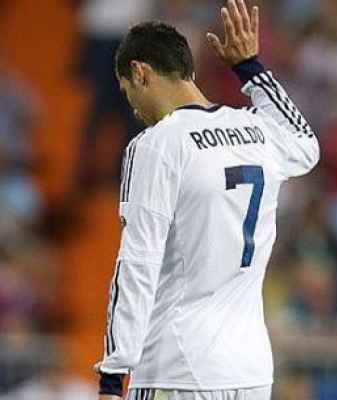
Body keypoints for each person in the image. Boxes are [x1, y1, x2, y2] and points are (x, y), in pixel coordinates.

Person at [93, 1, 320, 399]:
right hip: (250, 372)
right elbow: (306, 143)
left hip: (177, 368)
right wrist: (250, 67)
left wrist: (113, 373)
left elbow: (138, 260)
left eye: (128, 91)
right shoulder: (258, 131)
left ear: (140, 72)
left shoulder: (157, 144)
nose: (133, 107)